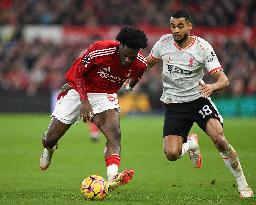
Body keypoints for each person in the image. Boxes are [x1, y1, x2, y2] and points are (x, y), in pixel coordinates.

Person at [144, 10, 253, 198]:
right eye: (172, 26)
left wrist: (212, 87)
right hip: (174, 104)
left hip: (197, 100)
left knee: (219, 139)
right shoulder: (163, 43)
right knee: (171, 154)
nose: (175, 30)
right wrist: (129, 74)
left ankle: (243, 183)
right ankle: (191, 144)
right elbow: (147, 63)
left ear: (189, 26)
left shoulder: (202, 47)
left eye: (180, 26)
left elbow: (224, 80)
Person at [39, 26, 148, 191]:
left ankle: (112, 177)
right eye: (125, 56)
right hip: (78, 90)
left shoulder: (140, 63)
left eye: (131, 58)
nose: (127, 60)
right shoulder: (100, 50)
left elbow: (135, 78)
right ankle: (50, 148)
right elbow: (79, 73)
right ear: (120, 45)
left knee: (114, 134)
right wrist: (84, 100)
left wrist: (127, 87)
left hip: (104, 94)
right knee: (49, 138)